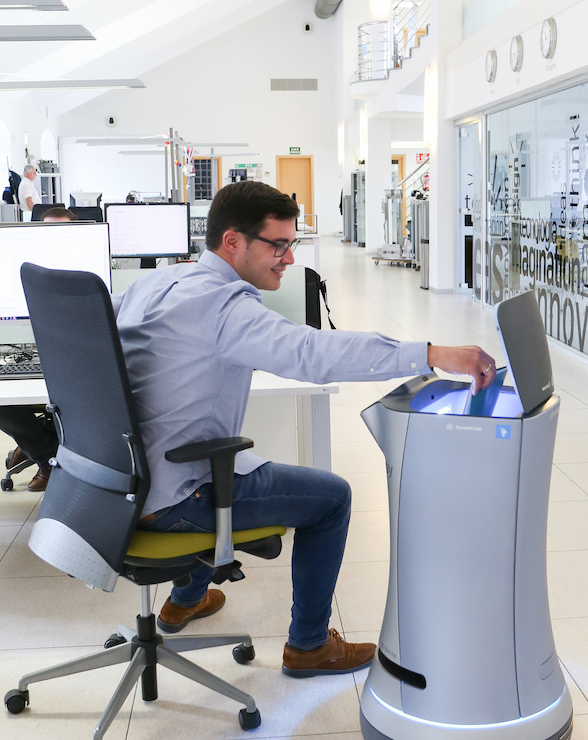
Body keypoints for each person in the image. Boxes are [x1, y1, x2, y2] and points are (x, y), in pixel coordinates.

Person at [114, 181, 497, 678]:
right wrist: (427, 353)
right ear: (233, 242)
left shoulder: (157, 284)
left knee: (227, 466)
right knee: (331, 498)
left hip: (121, 485)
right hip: (173, 498)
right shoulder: (226, 308)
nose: (290, 260)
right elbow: (314, 353)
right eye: (279, 245)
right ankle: (310, 646)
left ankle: (184, 600)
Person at [0, 206, 79, 491]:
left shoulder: (86, 266)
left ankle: (35, 444)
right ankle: (46, 455)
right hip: (29, 349)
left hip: (73, 355)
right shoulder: (18, 270)